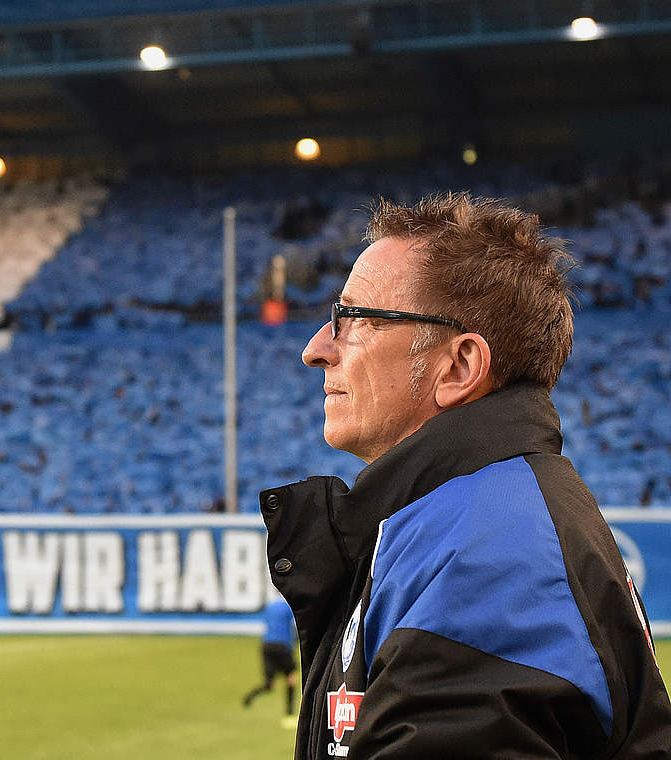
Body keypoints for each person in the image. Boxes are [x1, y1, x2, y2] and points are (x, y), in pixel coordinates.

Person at [260, 192, 671, 758]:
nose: (316, 350)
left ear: (458, 367)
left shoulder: (490, 555)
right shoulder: (458, 520)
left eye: (353, 320)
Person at [242, 594, 298, 727]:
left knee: (269, 684)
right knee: (290, 679)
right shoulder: (289, 607)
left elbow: (267, 624)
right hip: (283, 646)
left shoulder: (270, 606)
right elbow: (294, 626)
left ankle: (250, 697)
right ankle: (289, 715)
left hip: (267, 646)